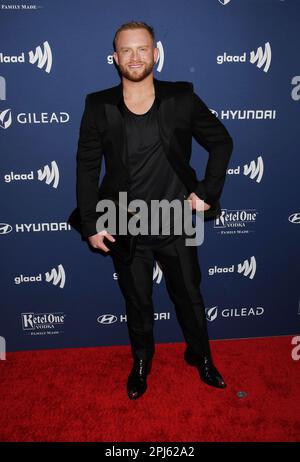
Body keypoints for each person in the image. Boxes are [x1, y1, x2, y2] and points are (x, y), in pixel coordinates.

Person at [76, 21, 233, 400]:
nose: (134, 57)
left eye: (142, 49)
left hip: (176, 220)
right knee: (138, 303)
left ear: (156, 52)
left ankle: (202, 357)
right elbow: (86, 166)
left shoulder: (181, 98)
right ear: (115, 57)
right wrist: (92, 224)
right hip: (125, 223)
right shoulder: (98, 105)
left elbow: (221, 142)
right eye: (126, 50)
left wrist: (207, 192)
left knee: (190, 299)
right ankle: (142, 362)